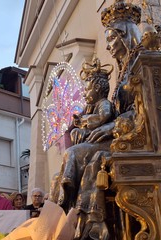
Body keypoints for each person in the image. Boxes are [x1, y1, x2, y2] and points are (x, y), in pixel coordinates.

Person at [50, 1, 142, 239]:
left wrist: (112, 125)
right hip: (122, 137)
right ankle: (72, 214)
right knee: (76, 153)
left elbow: (146, 109)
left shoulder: (143, 65)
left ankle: (84, 219)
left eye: (111, 39)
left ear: (125, 35)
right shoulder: (124, 72)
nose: (109, 46)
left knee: (75, 154)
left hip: (139, 140)